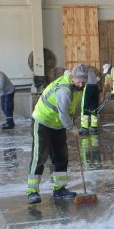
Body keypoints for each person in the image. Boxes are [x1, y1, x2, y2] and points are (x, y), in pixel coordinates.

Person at [26, 63, 88, 205]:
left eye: (84, 81)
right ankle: (32, 192)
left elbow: (70, 109)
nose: (81, 84)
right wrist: (73, 128)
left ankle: (59, 189)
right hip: (43, 121)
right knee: (39, 156)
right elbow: (63, 113)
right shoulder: (64, 91)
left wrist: (72, 122)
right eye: (79, 81)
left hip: (58, 124)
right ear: (72, 77)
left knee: (61, 156)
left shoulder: (78, 87)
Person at [79, 65, 101, 135]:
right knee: (94, 108)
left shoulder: (83, 72)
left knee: (84, 108)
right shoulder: (92, 72)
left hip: (88, 88)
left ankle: (84, 128)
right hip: (95, 88)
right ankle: (94, 127)